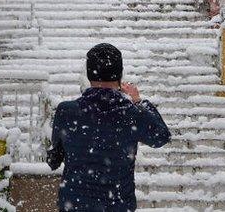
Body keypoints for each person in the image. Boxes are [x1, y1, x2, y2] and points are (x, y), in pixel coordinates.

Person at [47, 43, 171, 211]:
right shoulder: (132, 114)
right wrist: (138, 101)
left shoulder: (67, 111)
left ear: (89, 74)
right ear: (119, 75)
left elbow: (54, 159)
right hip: (117, 205)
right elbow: (161, 136)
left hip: (75, 204)